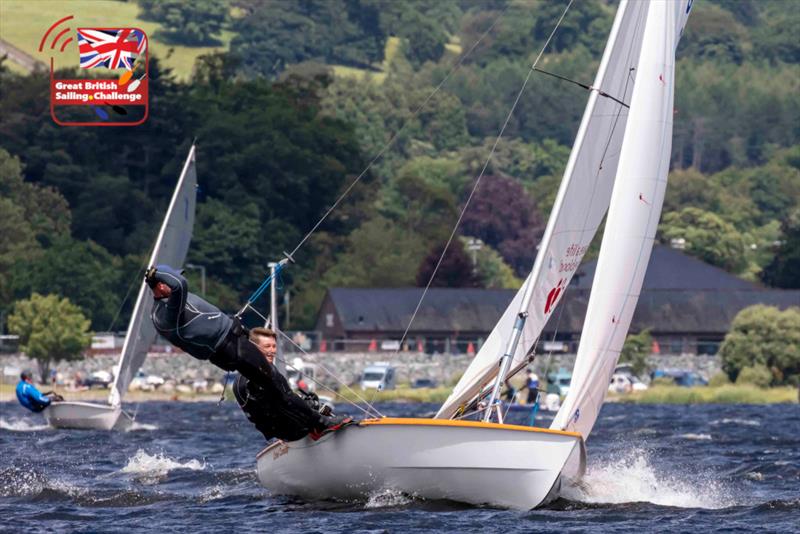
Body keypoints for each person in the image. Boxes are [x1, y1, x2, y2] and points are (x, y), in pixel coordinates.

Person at [146, 264, 349, 441]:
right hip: (230, 348)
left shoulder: (170, 304)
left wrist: (235, 327)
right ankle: (320, 423)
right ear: (162, 285)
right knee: (277, 385)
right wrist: (156, 273)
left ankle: (303, 424)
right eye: (167, 280)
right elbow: (180, 283)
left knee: (273, 387)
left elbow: (204, 318)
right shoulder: (166, 312)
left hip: (234, 342)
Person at [234, 328, 344, 442]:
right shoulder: (259, 374)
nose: (272, 350)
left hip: (282, 428)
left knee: (308, 403)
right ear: (254, 348)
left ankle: (317, 422)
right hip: (291, 431)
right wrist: (320, 419)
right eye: (267, 346)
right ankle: (321, 426)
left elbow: (281, 398)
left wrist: (309, 404)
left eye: (274, 346)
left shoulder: (249, 371)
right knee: (298, 403)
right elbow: (287, 400)